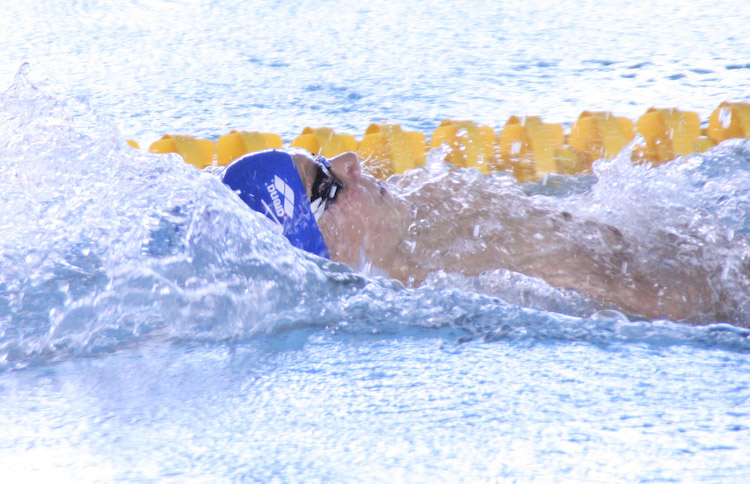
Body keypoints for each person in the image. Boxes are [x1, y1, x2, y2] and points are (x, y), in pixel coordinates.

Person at [222, 148, 736, 323]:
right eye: (328, 184)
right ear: (325, 254)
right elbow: (671, 304)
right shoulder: (463, 287)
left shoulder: (433, 196)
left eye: (324, 158)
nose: (351, 161)